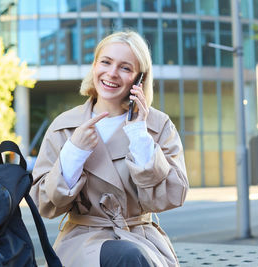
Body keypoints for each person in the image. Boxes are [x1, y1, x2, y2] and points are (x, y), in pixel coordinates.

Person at [30, 31, 189, 267]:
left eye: (125, 68)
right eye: (105, 62)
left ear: (139, 79)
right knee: (126, 257)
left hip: (140, 239)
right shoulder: (65, 126)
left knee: (130, 256)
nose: (112, 73)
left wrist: (139, 136)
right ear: (94, 66)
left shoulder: (157, 125)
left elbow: (173, 195)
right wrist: (75, 151)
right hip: (83, 239)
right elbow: (45, 204)